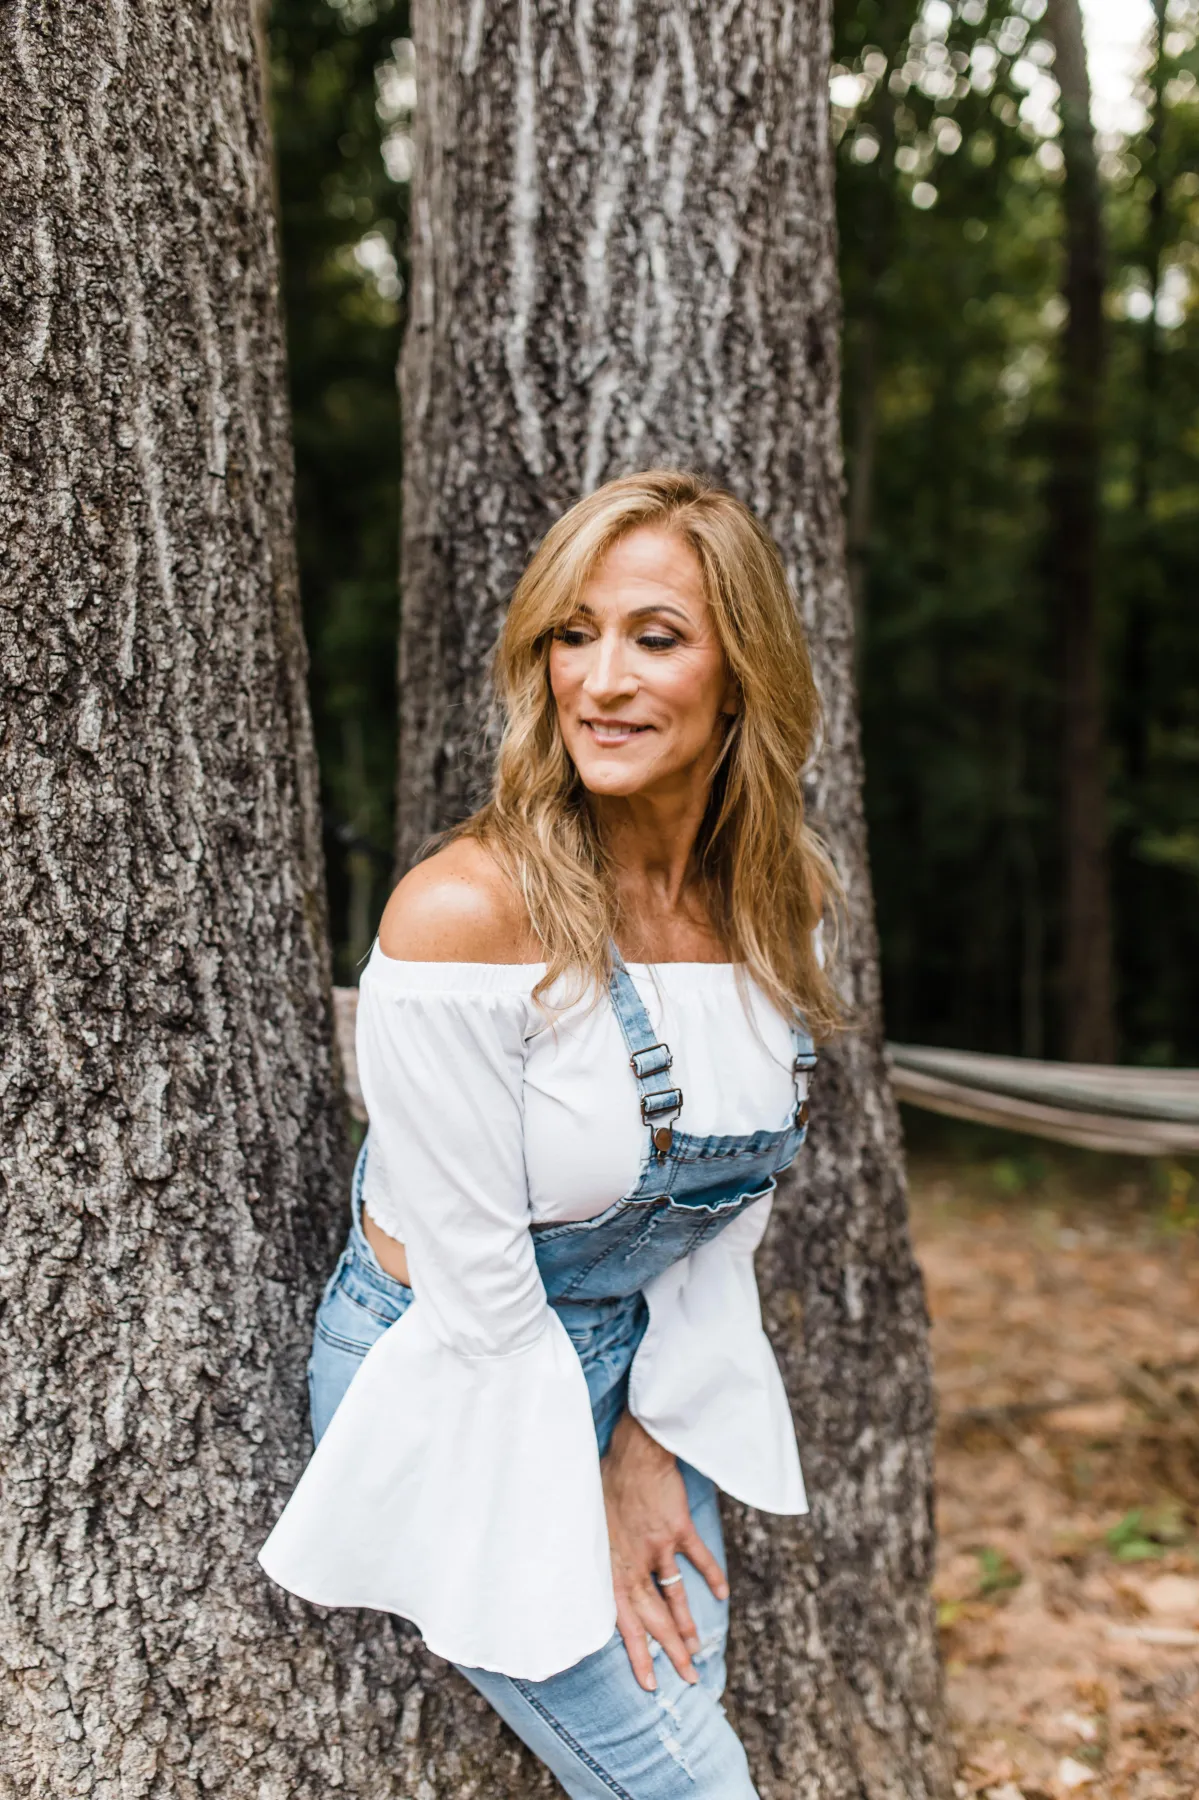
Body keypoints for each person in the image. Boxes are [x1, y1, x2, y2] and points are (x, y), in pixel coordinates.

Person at [260, 469, 841, 1797]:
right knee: (686, 1780)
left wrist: (648, 1440)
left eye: (656, 637)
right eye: (573, 636)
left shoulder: (777, 901)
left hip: (645, 1364)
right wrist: (580, 1493)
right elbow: (474, 1286)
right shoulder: (467, 915)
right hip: (461, 1367)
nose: (602, 681)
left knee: (680, 1725)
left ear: (739, 676)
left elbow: (723, 1221)